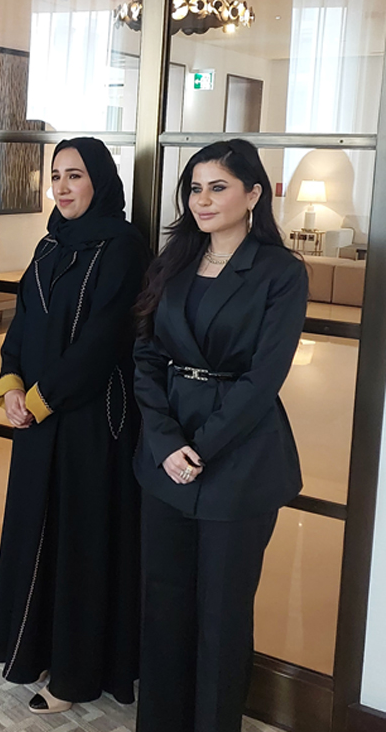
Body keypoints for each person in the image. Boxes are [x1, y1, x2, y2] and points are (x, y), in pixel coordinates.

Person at [131, 139, 308, 732]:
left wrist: (200, 448)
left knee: (223, 613)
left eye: (218, 187)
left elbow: (264, 378)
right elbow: (147, 355)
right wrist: (164, 443)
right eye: (194, 188)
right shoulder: (173, 261)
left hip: (239, 454)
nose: (202, 200)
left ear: (253, 194)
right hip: (167, 447)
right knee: (165, 603)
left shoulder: (281, 272)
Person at [0, 138, 147, 712]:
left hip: (90, 423)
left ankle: (76, 675)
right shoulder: (51, 243)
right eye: (56, 175)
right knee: (36, 532)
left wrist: (42, 396)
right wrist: (9, 387)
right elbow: (23, 322)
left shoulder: (124, 247)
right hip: (36, 418)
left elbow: (104, 338)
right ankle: (30, 648)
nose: (62, 186)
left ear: (99, 181)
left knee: (79, 541)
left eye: (75, 175)